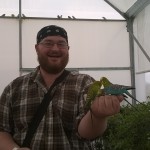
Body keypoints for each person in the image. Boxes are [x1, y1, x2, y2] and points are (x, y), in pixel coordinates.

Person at [0, 25, 123, 150]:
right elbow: (2, 130)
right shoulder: (14, 88)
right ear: (37, 48)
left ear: (68, 49)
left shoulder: (84, 83)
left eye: (61, 44)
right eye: (48, 43)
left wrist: (97, 116)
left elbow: (87, 134)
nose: (55, 49)